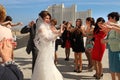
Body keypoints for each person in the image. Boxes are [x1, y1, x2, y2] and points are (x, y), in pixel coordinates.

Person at [31, 11, 64, 80]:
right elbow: (46, 39)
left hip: (49, 49)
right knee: (44, 67)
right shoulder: (41, 28)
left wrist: (60, 30)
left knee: (50, 65)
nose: (48, 20)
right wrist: (57, 34)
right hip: (44, 50)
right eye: (46, 18)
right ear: (42, 19)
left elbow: (53, 33)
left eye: (49, 18)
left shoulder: (47, 27)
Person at [101, 12, 120, 80]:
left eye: (109, 18)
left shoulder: (118, 25)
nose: (108, 20)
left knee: (118, 70)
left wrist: (106, 41)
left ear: (114, 18)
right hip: (111, 49)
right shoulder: (112, 27)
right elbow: (109, 36)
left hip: (117, 50)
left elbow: (117, 40)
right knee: (112, 69)